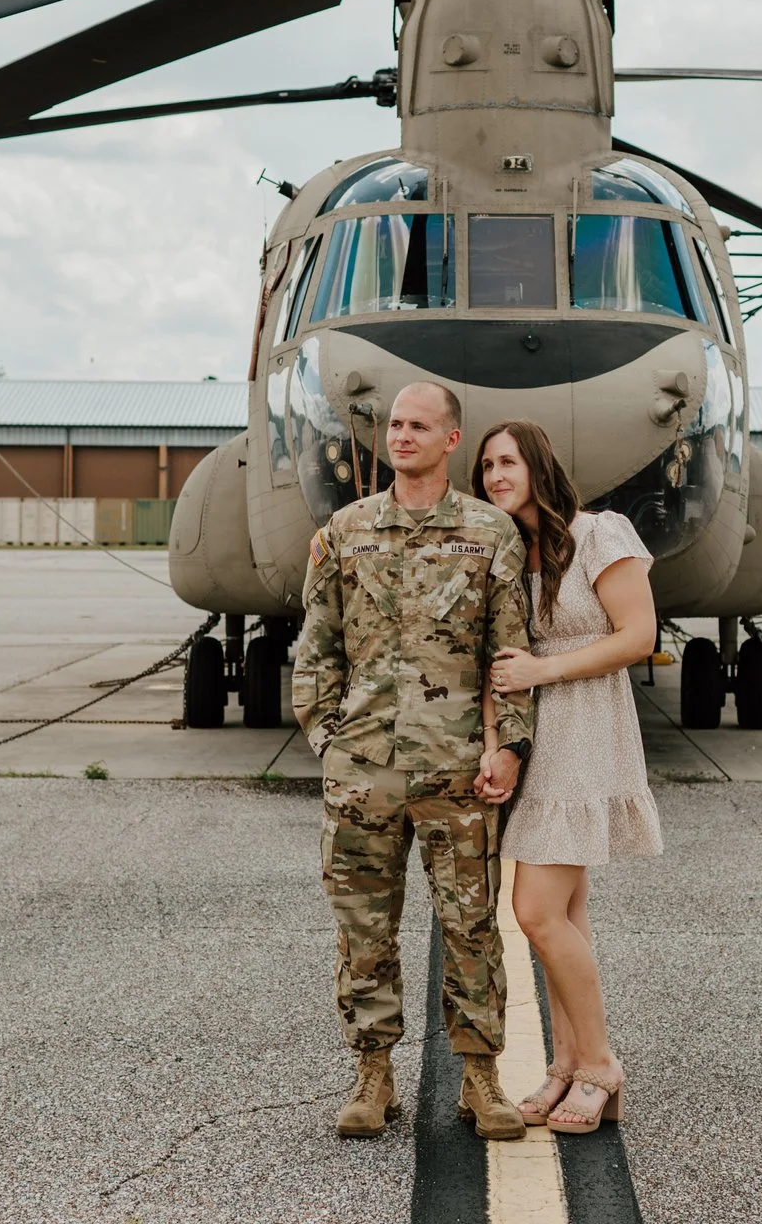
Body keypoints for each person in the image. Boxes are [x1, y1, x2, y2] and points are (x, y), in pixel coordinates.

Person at [292, 381, 536, 1142]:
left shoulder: (490, 534)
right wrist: (327, 740)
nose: (401, 436)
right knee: (364, 930)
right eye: (395, 424)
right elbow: (317, 645)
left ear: (450, 440)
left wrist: (511, 747)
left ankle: (481, 1078)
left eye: (418, 425)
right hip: (361, 770)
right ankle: (372, 1076)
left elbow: (511, 652)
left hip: (456, 770)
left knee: (470, 928)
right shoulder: (346, 531)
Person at [477, 419, 661, 1136]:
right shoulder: (508, 557)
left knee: (536, 913)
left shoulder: (600, 533)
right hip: (538, 739)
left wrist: (544, 669)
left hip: (587, 727)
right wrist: (496, 744)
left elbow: (637, 636)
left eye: (508, 461)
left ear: (538, 464)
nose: (495, 475)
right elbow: (496, 665)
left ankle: (602, 1065)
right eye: (486, 466)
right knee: (565, 915)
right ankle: (567, 1068)